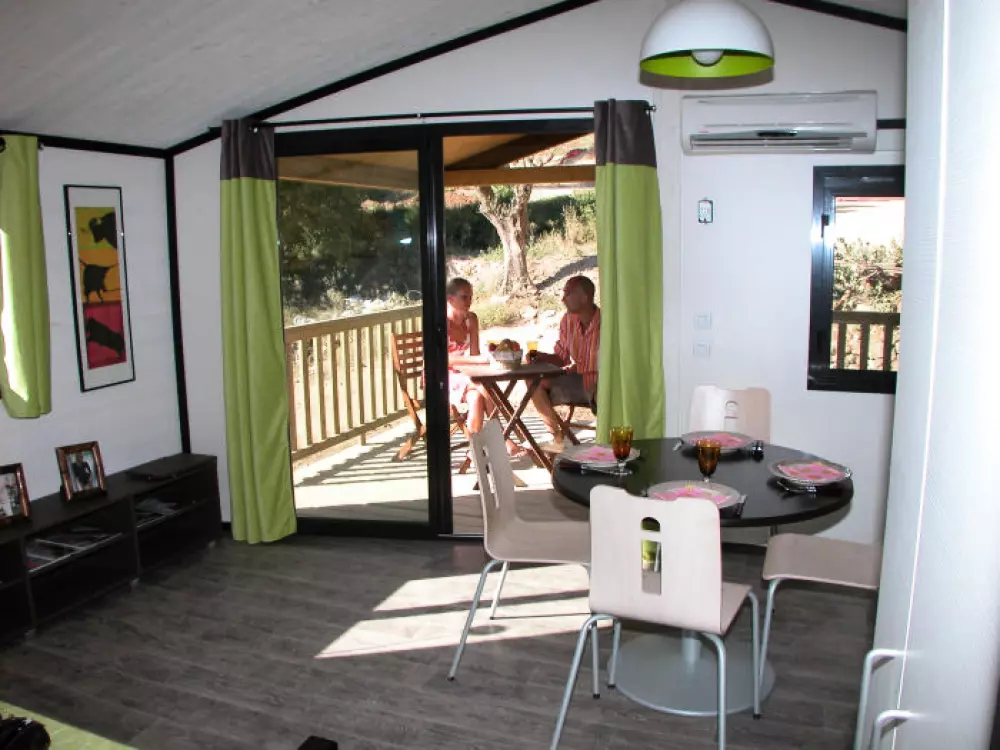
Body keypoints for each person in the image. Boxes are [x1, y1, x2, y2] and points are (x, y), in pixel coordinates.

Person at [445, 278, 527, 458]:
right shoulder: (442, 323)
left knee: (476, 397)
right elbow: (442, 360)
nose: (469, 301)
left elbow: (474, 353)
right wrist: (480, 361)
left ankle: (475, 450)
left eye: (471, 297)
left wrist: (484, 362)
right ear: (450, 299)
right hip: (441, 376)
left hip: (464, 373)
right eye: (464, 297)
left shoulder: (471, 319)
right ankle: (505, 437)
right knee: (486, 390)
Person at [530, 275, 600, 448]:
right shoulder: (567, 320)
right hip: (577, 380)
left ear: (584, 297)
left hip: (601, 382)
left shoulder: (606, 322)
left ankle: (607, 444)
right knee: (533, 380)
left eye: (568, 294)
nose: (562, 299)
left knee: (603, 390)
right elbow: (561, 358)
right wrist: (541, 357)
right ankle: (556, 437)